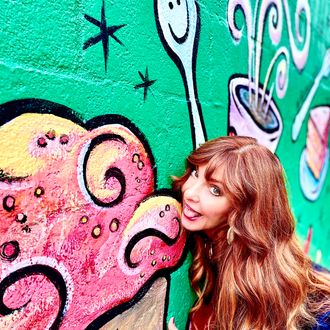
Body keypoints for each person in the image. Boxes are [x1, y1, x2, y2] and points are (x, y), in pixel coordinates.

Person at [168, 136, 330, 330]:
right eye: (195, 173)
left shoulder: (257, 281)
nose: (190, 193)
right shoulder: (215, 244)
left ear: (244, 211)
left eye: (215, 190)